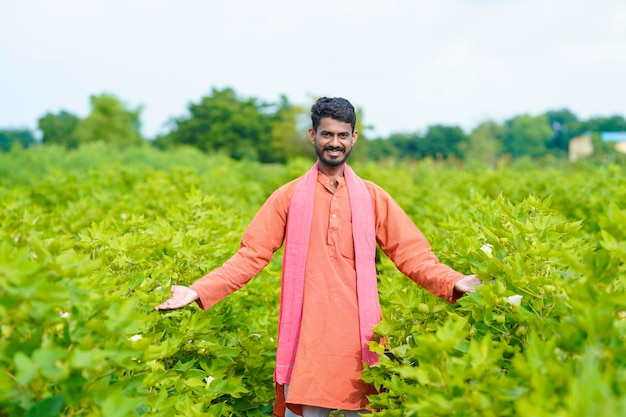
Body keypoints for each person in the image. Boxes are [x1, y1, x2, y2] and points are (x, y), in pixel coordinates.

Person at [155, 97, 481, 417]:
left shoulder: (372, 197)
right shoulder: (289, 196)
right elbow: (250, 256)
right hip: (307, 340)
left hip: (360, 339)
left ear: (354, 137)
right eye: (327, 134)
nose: (334, 143)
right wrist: (197, 289)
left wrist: (454, 281)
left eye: (342, 135)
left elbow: (411, 254)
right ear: (313, 136)